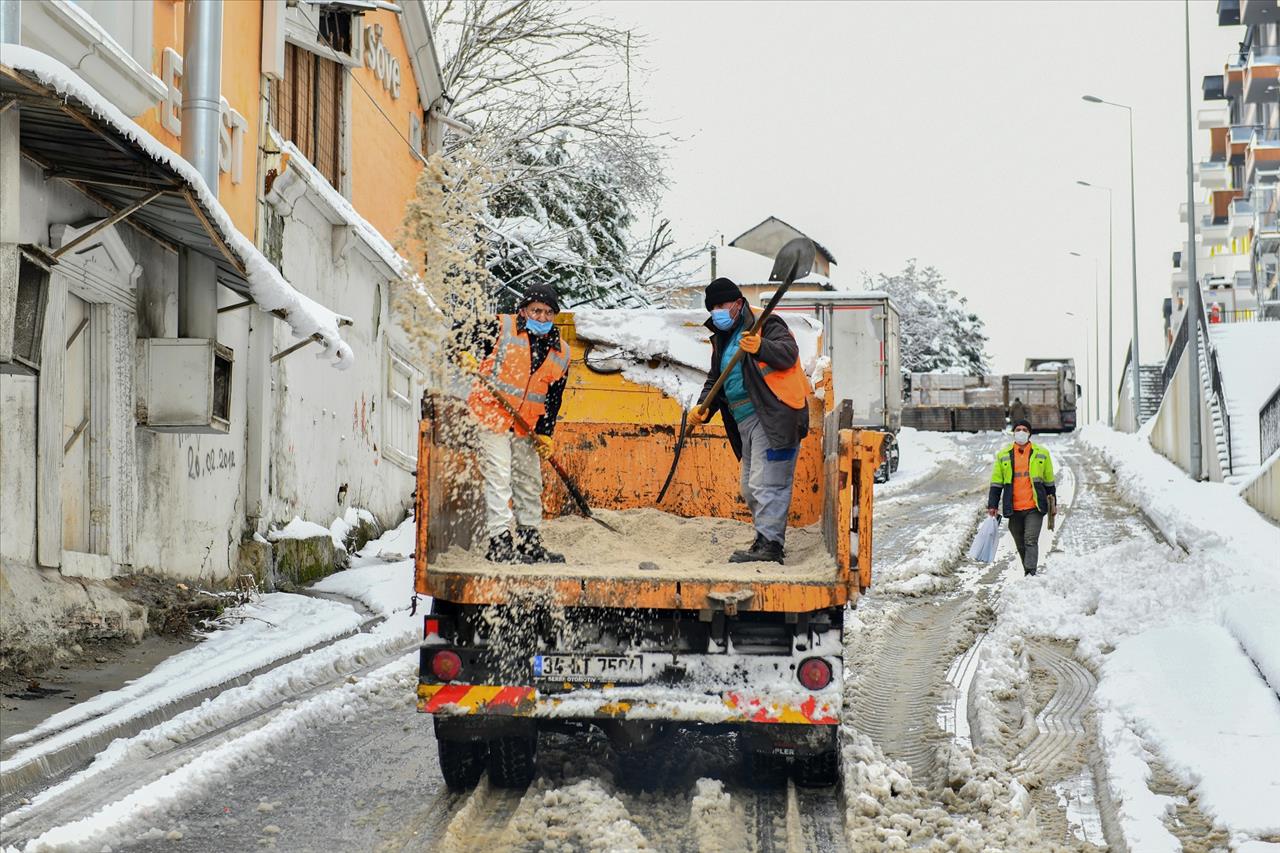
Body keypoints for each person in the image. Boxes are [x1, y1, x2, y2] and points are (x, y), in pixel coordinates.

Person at [688, 277, 811, 563]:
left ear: (739, 303)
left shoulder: (765, 323)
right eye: (712, 307)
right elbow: (716, 379)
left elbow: (788, 354)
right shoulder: (724, 337)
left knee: (767, 483)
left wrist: (761, 346)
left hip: (773, 415)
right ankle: (763, 539)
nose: (716, 311)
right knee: (750, 486)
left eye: (722, 304)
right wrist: (702, 407)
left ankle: (771, 546)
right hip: (744, 420)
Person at [459, 283, 571, 564]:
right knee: (499, 475)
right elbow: (459, 333)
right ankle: (499, 541)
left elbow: (553, 399)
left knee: (529, 481)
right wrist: (463, 352)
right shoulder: (501, 327)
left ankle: (529, 541)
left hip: (527, 425)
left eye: (548, 312)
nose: (542, 317)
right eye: (536, 310)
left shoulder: (562, 352)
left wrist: (546, 434)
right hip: (492, 413)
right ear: (523, 310)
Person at [986, 419, 1056, 576]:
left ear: (1029, 433)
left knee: (1030, 540)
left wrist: (1053, 503)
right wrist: (993, 505)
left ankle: (1031, 573)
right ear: (1013, 432)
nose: (1021, 432)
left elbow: (1049, 481)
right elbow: (996, 483)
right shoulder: (1003, 455)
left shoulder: (1042, 453)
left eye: (1025, 429)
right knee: (1020, 542)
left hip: (1035, 506)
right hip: (1014, 508)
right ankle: (1028, 570)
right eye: (1018, 429)